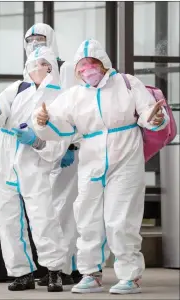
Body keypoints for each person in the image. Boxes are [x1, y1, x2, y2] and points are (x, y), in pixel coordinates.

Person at [32, 39, 169, 294]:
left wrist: (156, 118)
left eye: (91, 64)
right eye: (81, 67)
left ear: (103, 64)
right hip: (91, 161)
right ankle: (90, 273)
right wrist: (42, 120)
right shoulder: (74, 95)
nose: (87, 70)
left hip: (126, 158)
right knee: (87, 217)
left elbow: (149, 112)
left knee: (121, 219)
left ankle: (130, 276)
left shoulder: (127, 84)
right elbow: (57, 124)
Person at [0, 46, 68, 292]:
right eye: (32, 64)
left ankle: (54, 270)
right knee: (8, 217)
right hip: (5, 153)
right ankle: (21, 272)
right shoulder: (18, 87)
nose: (36, 68)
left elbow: (61, 136)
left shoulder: (60, 95)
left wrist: (36, 140)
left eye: (42, 64)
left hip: (33, 158)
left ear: (52, 66)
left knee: (42, 216)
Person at [23, 23, 83, 286]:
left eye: (40, 39)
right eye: (30, 39)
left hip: (65, 148)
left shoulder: (67, 68)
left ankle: (67, 267)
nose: (35, 43)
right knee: (44, 212)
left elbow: (79, 107)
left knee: (65, 210)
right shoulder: (31, 69)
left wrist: (73, 145)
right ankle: (51, 266)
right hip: (39, 149)